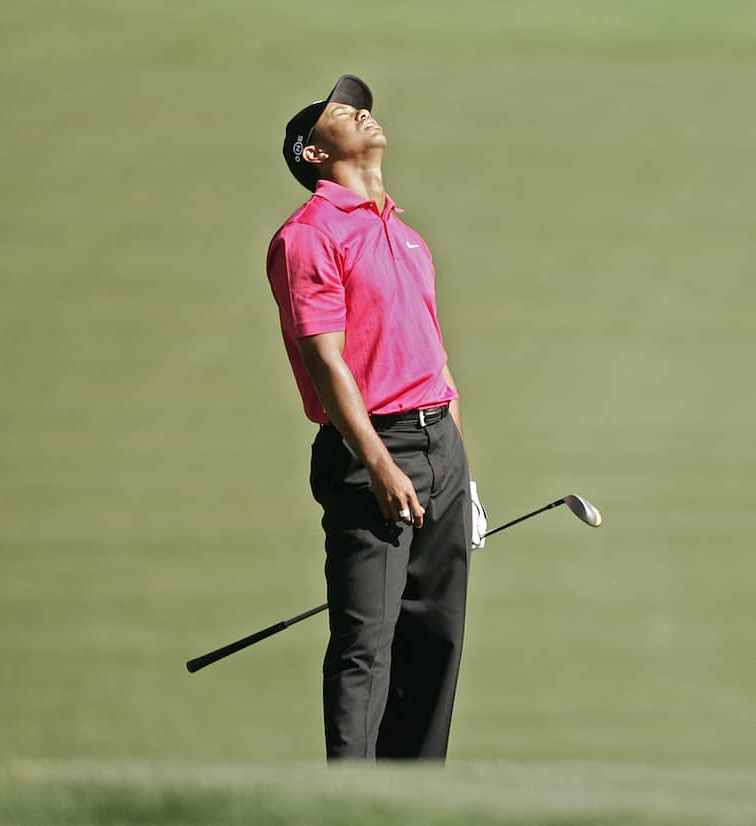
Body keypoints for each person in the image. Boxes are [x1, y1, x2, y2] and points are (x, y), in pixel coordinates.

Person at [265, 75, 486, 761]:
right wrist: (381, 463)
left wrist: (463, 476)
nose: (361, 112)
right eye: (340, 111)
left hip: (439, 447)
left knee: (437, 640)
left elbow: (436, 363)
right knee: (368, 647)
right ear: (311, 153)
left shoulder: (406, 236)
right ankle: (352, 803)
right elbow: (328, 365)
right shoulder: (308, 238)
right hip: (372, 451)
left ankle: (413, 802)